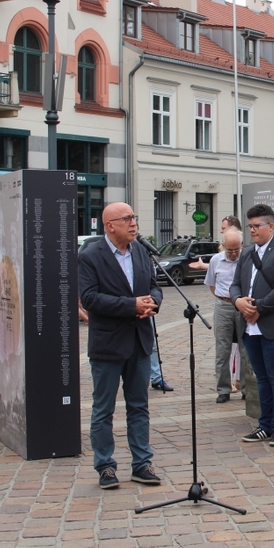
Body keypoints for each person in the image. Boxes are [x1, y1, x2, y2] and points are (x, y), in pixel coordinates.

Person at [79, 203, 163, 489]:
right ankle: (105, 467)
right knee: (103, 409)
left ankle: (142, 464)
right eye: (127, 219)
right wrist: (131, 305)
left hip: (139, 340)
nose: (133, 223)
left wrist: (152, 303)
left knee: (139, 406)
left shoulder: (141, 251)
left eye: (134, 217)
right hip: (108, 344)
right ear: (110, 225)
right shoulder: (90, 256)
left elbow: (154, 286)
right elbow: (89, 299)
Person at [230, 204, 274, 447]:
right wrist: (238, 302)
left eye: (256, 226)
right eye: (249, 226)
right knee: (262, 378)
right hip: (250, 327)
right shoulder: (246, 253)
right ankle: (265, 425)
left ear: (270, 226)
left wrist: (258, 308)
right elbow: (234, 284)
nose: (252, 230)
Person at [205, 228, 246, 404]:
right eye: (230, 250)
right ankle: (223, 389)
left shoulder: (245, 259)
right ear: (223, 246)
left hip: (242, 305)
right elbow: (211, 284)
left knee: (245, 348)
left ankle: (246, 389)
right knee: (222, 350)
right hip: (223, 304)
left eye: (237, 249)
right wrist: (224, 298)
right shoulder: (215, 260)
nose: (234, 254)